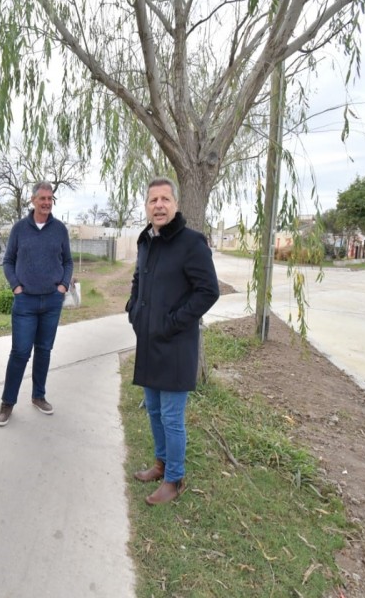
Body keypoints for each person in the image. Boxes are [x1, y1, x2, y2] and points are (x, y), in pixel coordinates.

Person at [126, 178, 220, 506]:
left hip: (176, 345)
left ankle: (175, 478)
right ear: (147, 206)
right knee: (153, 409)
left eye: (165, 199)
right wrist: (133, 310)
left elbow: (208, 291)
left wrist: (173, 322)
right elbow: (139, 279)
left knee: (171, 416)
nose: (159, 205)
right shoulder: (145, 241)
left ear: (175, 204)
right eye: (153, 200)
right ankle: (161, 464)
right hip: (149, 343)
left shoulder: (192, 243)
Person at [0, 181, 73, 426]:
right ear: (33, 200)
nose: (47, 203)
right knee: (20, 352)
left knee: (44, 350)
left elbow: (68, 261)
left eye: (50, 199)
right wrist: (16, 287)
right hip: (25, 302)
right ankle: (7, 402)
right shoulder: (20, 229)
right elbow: (8, 261)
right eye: (43, 199)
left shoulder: (60, 229)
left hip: (52, 301)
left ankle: (38, 396)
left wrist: (63, 286)